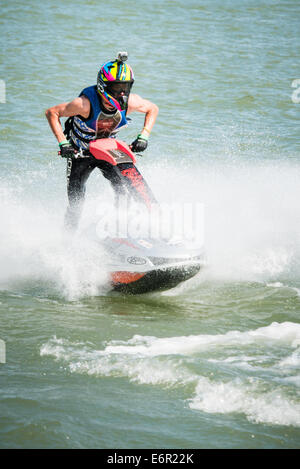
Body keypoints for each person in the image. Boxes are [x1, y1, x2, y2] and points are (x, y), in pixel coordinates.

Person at [45, 52, 159, 230]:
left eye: (126, 87)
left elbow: (153, 109)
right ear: (103, 86)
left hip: (108, 151)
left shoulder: (131, 102)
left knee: (123, 189)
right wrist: (63, 143)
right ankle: (67, 241)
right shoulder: (83, 104)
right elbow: (52, 112)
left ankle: (120, 230)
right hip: (80, 155)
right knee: (76, 203)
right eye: (117, 87)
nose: (122, 93)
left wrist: (143, 136)